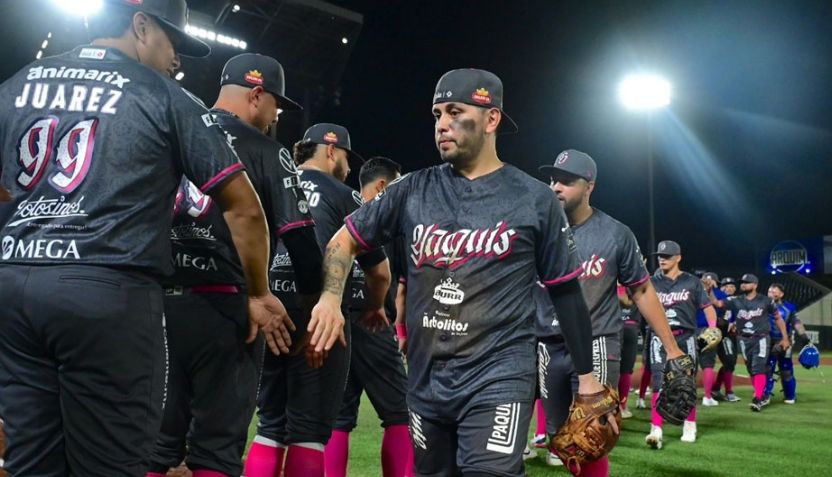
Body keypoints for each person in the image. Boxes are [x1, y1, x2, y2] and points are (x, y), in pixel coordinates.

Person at [0, 1, 289, 475]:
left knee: (33, 463)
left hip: (15, 288)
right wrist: (257, 292)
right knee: (113, 462)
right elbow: (242, 207)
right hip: (107, 290)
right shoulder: (161, 94)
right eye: (172, 41)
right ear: (140, 25)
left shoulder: (19, 83)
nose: (176, 58)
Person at [309, 68, 613, 477]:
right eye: (437, 114)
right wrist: (330, 297)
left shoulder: (535, 199)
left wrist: (588, 379)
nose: (442, 124)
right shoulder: (411, 190)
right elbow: (343, 240)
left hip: (500, 376)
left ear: (492, 119)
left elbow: (565, 291)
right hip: (426, 379)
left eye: (455, 111)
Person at [147, 53, 323, 477]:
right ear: (256, 95)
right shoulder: (265, 149)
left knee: (155, 443)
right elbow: (300, 240)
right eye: (275, 104)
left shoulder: (172, 130)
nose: (275, 114)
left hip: (156, 307)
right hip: (229, 309)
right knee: (216, 449)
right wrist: (312, 308)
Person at [244, 123, 391, 477]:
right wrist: (375, 305)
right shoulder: (344, 194)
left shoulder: (268, 183)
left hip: (269, 308)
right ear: (329, 151)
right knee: (308, 431)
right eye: (345, 156)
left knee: (270, 424)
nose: (347, 165)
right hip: (319, 315)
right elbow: (380, 271)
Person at [536, 150, 687, 472]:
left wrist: (672, 349)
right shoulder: (539, 232)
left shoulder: (615, 233)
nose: (556, 188)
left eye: (566, 181)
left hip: (597, 342)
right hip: (547, 344)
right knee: (560, 438)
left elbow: (642, 290)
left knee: (593, 433)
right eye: (553, 180)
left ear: (589, 185)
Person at [325, 156, 414, 477]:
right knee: (400, 413)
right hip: (374, 324)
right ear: (381, 187)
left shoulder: (337, 210)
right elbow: (399, 279)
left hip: (340, 323)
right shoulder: (387, 221)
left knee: (340, 416)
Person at [646, 241, 718, 448]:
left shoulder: (692, 282)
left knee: (686, 383)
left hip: (685, 337)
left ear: (679, 257)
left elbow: (707, 307)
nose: (662, 258)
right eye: (660, 255)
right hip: (659, 337)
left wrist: (712, 327)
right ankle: (656, 429)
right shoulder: (651, 282)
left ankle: (690, 425)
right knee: (658, 382)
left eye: (667, 255)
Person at [709, 274, 790, 412]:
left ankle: (757, 398)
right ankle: (761, 394)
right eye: (742, 282)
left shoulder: (766, 300)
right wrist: (710, 290)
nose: (743, 284)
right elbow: (717, 303)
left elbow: (778, 318)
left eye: (747, 282)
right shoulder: (735, 300)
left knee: (758, 367)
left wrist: (785, 338)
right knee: (751, 369)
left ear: (755, 285)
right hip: (743, 339)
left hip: (761, 338)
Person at [766, 283, 809, 404]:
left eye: (775, 291)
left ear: (781, 294)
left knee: (786, 369)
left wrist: (803, 336)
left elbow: (796, 322)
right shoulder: (762, 305)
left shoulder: (789, 307)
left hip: (785, 342)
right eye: (770, 291)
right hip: (767, 342)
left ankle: (790, 396)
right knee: (767, 368)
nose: (771, 293)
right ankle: (765, 395)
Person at [710, 277, 741, 402]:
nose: (730, 288)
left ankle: (716, 388)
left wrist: (734, 323)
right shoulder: (719, 300)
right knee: (729, 361)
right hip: (719, 334)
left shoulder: (734, 301)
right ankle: (729, 392)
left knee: (730, 363)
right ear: (721, 288)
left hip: (729, 334)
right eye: (727, 286)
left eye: (732, 286)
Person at [697, 272, 722, 406]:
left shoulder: (690, 290)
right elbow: (716, 304)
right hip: (707, 330)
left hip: (690, 331)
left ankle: (685, 395)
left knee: (688, 364)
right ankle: (707, 397)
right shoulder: (719, 293)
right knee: (707, 365)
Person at [618, 284, 641, 418]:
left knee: (610, 369)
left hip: (613, 326)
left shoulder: (608, 281)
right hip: (631, 328)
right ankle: (622, 407)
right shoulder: (636, 287)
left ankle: (609, 407)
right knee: (626, 371)